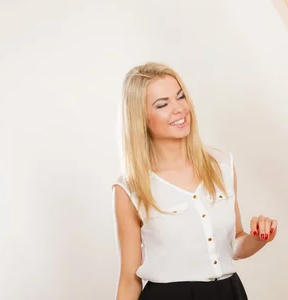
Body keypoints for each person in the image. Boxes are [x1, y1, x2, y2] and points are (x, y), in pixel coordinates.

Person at [112, 62, 277, 300]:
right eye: (162, 104)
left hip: (229, 293)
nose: (179, 109)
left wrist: (259, 238)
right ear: (141, 118)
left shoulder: (221, 165)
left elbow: (234, 245)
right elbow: (129, 281)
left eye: (180, 97)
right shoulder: (130, 188)